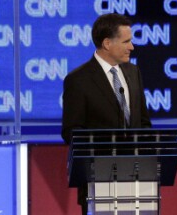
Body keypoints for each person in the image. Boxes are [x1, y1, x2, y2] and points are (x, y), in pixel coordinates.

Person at [61, 13, 152, 213]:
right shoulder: (78, 80)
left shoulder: (133, 72)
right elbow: (71, 131)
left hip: (138, 177)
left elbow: (144, 123)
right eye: (126, 41)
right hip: (99, 179)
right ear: (107, 43)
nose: (132, 47)